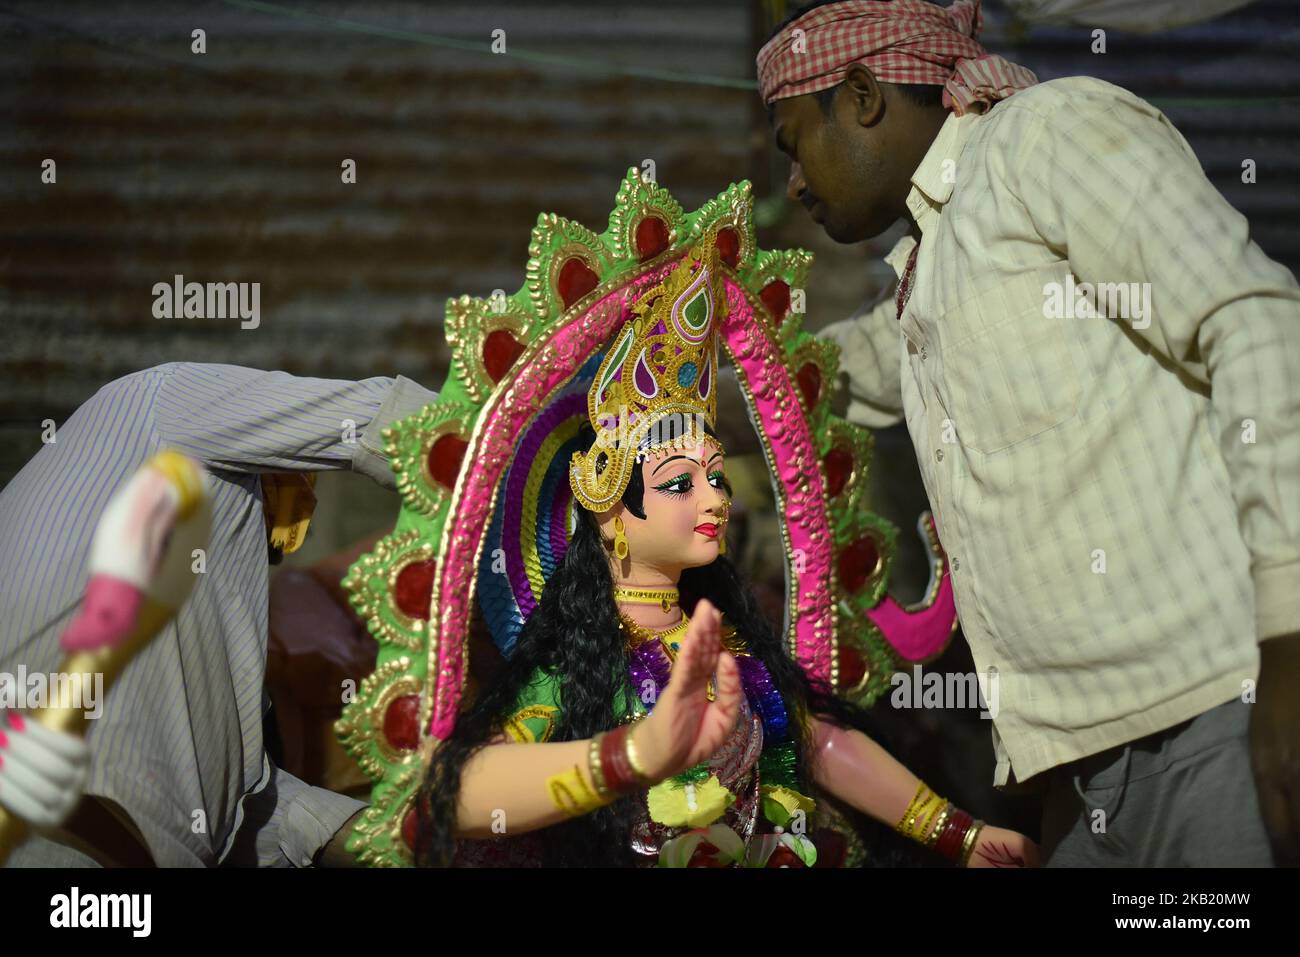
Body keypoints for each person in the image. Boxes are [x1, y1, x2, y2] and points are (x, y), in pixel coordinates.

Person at [758, 0, 1300, 865]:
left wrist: (1291, 638)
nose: (792, 182)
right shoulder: (930, 265)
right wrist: (655, 383)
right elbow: (816, 377)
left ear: (861, 96)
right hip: (1084, 779)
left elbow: (1254, 320)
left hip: (1214, 716)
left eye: (793, 144)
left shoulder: (1046, 139)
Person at [411, 229, 1037, 868]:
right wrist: (633, 756)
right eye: (680, 483)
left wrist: (959, 835)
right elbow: (457, 794)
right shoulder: (577, 665)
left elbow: (815, 743)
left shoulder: (730, 645)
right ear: (606, 502)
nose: (714, 499)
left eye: (716, 476)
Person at [0, 363, 436, 866]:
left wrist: (430, 842)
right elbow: (384, 418)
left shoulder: (194, 629)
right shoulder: (159, 399)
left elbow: (261, 814)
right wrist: (530, 446)